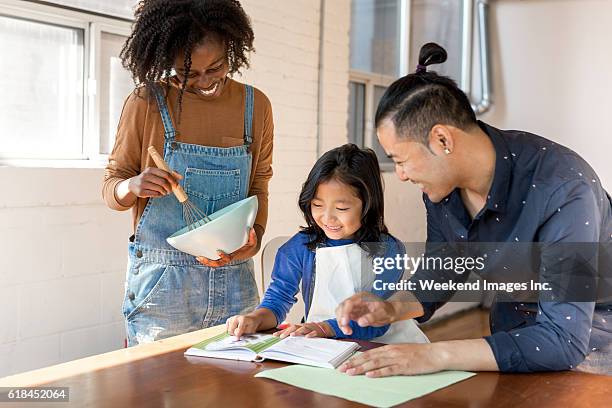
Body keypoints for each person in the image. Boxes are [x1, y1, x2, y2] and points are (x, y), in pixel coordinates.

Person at [335, 43, 612, 375]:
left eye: (400, 160)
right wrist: (391, 308)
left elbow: (564, 338)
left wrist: (434, 355)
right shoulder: (442, 189)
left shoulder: (563, 187)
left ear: (442, 140)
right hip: (514, 324)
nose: (403, 175)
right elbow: (445, 266)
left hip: (591, 336)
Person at [102, 0, 274, 346]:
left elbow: (259, 182)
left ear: (232, 48)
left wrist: (251, 240)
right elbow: (112, 188)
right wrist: (133, 186)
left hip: (234, 283)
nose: (205, 81)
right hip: (162, 289)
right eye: (188, 73)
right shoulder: (145, 103)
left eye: (217, 67)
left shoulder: (256, 106)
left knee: (237, 392)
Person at [227, 144, 429, 343]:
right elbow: (277, 301)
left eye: (341, 208)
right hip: (325, 344)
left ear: (368, 205)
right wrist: (254, 319)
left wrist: (325, 328)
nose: (327, 218)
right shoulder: (298, 248)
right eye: (317, 205)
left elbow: (378, 318)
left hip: (386, 343)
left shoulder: (389, 250)